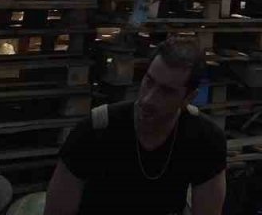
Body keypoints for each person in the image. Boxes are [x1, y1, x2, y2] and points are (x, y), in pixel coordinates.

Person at [45, 37, 226, 215]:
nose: (148, 99)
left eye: (166, 91)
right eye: (149, 81)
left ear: (188, 98)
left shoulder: (204, 139)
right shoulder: (96, 130)